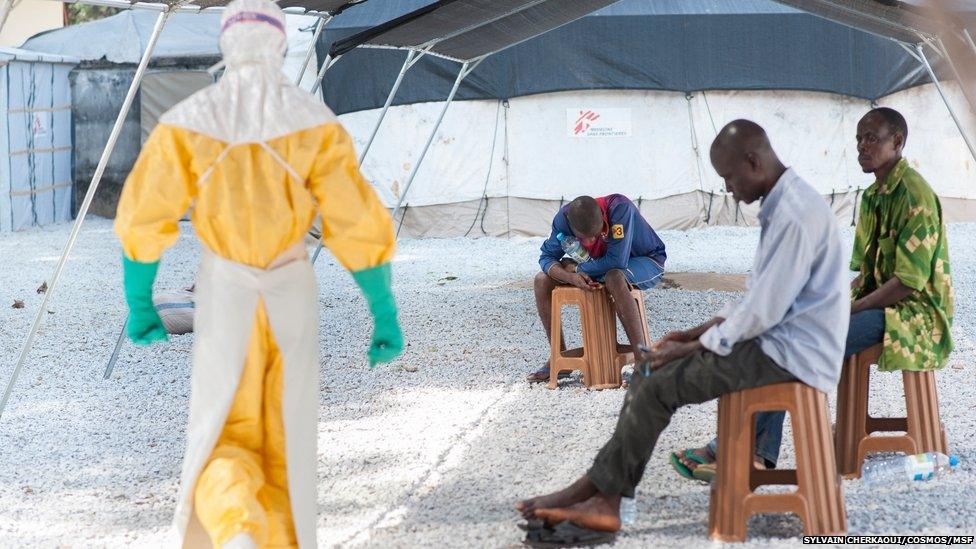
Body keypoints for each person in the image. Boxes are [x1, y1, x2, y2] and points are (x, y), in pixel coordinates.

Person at [113, 1, 403, 547]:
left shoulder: (188, 122)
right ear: (278, 44)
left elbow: (143, 214)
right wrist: (382, 312)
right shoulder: (315, 123)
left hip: (225, 293)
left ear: (226, 43)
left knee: (222, 431)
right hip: (290, 291)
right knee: (288, 435)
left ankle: (235, 530)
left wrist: (139, 301)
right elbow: (355, 221)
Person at [514, 120, 849, 546]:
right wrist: (689, 334)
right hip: (779, 344)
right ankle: (599, 493)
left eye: (728, 177)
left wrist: (688, 347)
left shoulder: (794, 215)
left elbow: (761, 313)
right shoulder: (788, 204)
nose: (728, 189)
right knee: (650, 371)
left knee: (654, 380)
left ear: (753, 160)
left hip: (789, 356)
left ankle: (600, 498)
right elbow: (756, 301)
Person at [671, 107, 954, 483]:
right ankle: (743, 447)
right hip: (881, 305)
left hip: (915, 315)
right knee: (780, 333)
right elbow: (864, 276)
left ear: (898, 142)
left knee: (795, 344)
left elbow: (908, 281)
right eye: (858, 139)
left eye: (872, 138)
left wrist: (847, 310)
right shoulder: (871, 198)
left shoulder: (914, 194)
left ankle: (748, 451)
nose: (862, 147)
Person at [527, 194, 667, 383]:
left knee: (614, 277)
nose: (592, 240)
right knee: (542, 280)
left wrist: (577, 268)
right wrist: (570, 277)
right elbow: (546, 257)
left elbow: (617, 261)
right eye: (585, 238)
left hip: (646, 261)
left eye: (598, 233)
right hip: (597, 266)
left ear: (603, 216)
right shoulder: (564, 219)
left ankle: (643, 361)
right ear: (571, 226)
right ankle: (560, 357)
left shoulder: (619, 208)